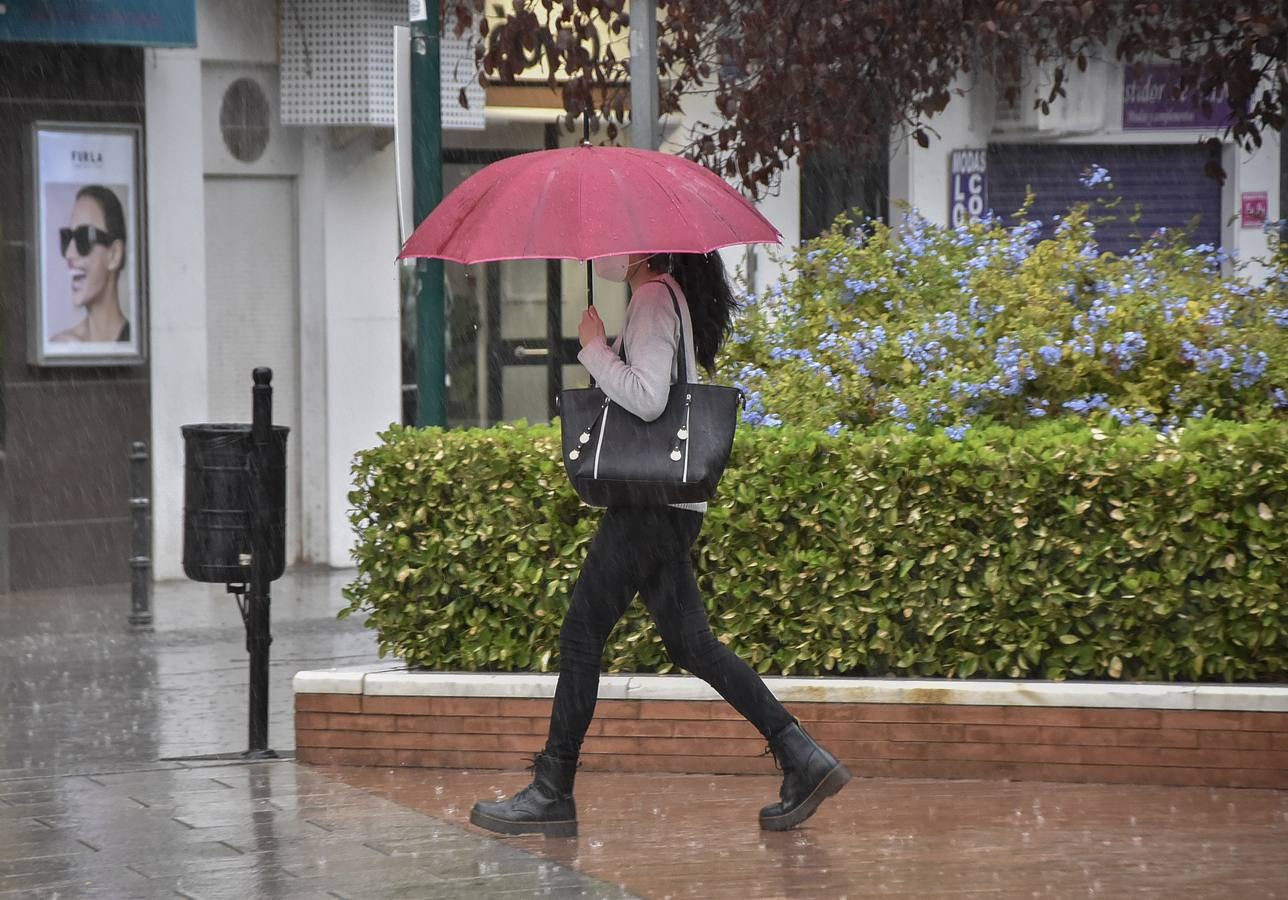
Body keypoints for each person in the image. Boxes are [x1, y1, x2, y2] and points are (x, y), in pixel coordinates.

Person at [470, 251, 851, 838]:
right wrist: (613, 344)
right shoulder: (667, 298)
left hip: (648, 507)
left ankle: (552, 791)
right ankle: (802, 756)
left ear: (644, 249)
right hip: (670, 507)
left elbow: (647, 398)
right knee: (692, 645)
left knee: (580, 634)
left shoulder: (652, 298)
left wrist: (594, 347)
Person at [51, 184, 130, 343]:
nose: (69, 254)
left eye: (84, 237)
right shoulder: (61, 344)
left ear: (114, 255)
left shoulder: (134, 340)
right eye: (67, 237)